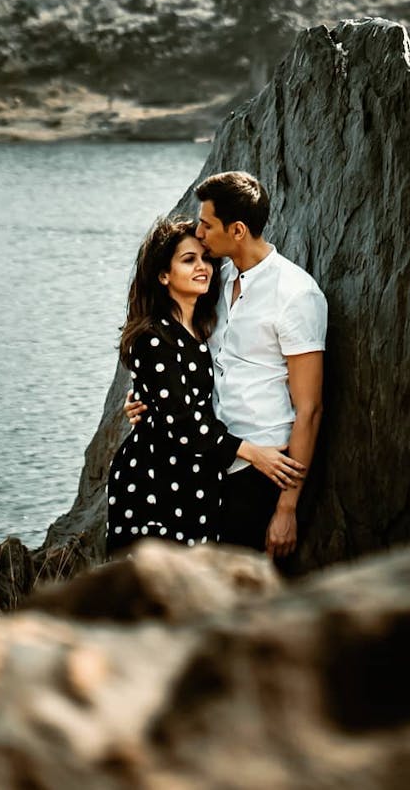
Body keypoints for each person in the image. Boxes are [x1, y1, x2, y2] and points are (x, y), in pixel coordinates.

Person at [126, 172, 327, 560]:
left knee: (248, 595)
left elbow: (311, 410)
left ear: (237, 230)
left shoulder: (295, 295)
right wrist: (146, 398)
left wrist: (287, 508)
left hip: (265, 468)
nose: (199, 233)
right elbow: (178, 356)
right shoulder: (218, 279)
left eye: (206, 224)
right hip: (210, 461)